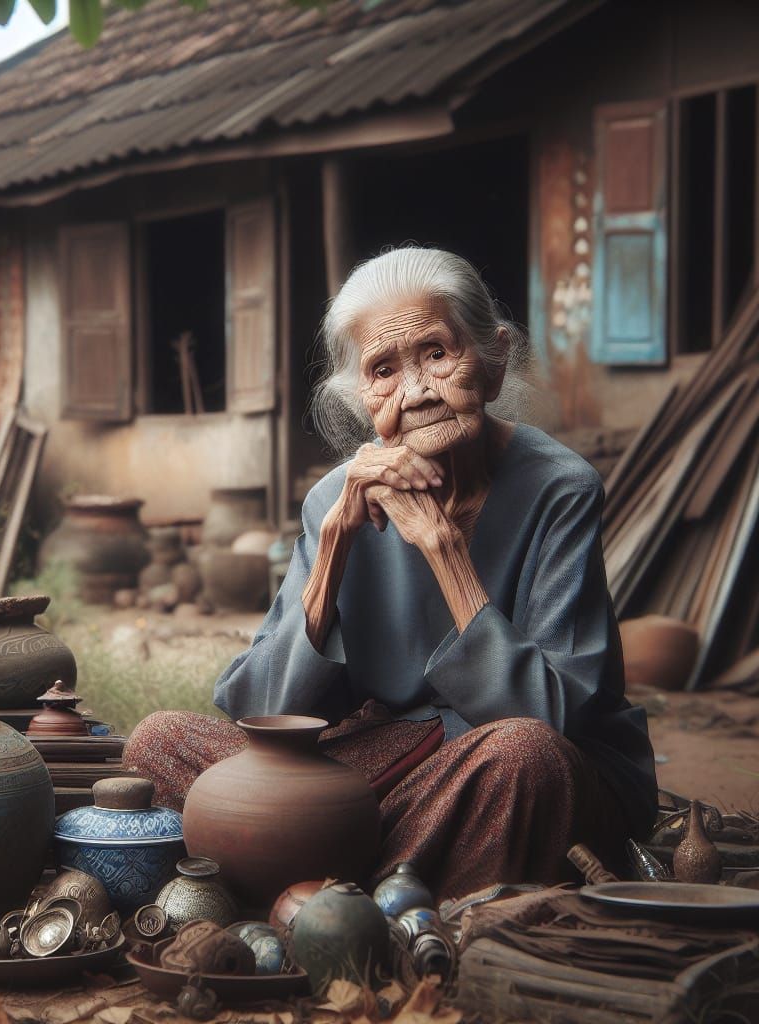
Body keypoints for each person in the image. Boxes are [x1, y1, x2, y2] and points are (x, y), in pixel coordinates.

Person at [124, 247, 657, 899]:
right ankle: (378, 885)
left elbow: (552, 716)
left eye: (436, 353)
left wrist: (443, 549)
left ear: (491, 362)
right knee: (162, 742)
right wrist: (334, 547)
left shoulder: (560, 489)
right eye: (384, 369)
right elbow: (261, 713)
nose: (416, 390)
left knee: (525, 759)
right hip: (382, 771)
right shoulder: (334, 501)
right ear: (361, 398)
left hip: (511, 770)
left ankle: (322, 887)